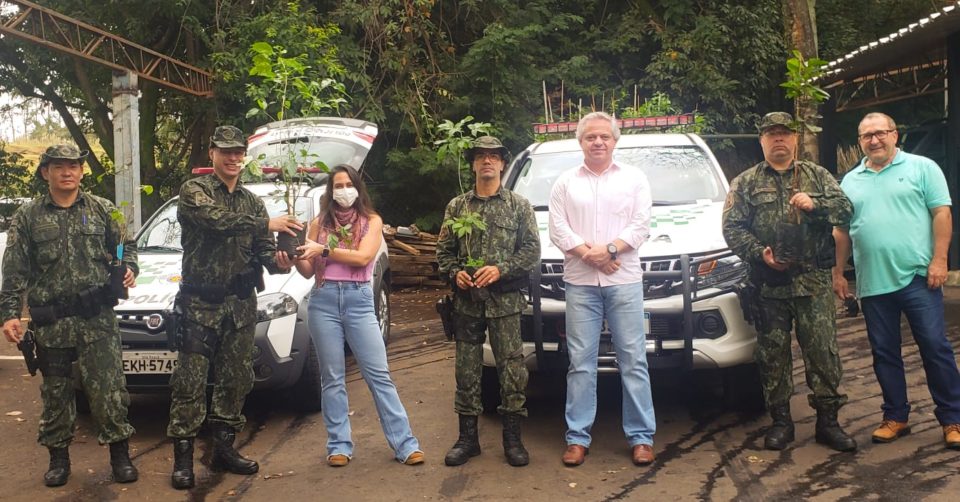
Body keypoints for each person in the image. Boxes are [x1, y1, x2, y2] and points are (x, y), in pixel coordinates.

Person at [167, 125, 302, 489]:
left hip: (241, 304)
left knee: (235, 380)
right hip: (200, 303)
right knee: (190, 381)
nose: (233, 158)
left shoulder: (252, 201)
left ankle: (224, 448)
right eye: (225, 151)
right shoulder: (194, 191)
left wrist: (280, 260)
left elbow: (261, 250)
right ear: (212, 153)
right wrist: (265, 223)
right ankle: (183, 458)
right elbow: (214, 221)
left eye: (238, 152)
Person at [1, 144, 139, 487]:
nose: (68, 171)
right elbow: (14, 270)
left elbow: (125, 246)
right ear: (45, 171)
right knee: (57, 394)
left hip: (97, 319)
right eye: (59, 166)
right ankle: (58, 459)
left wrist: (129, 268)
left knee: (109, 389)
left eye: (74, 166)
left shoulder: (102, 210)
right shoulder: (28, 217)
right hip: (53, 322)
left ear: (81, 171)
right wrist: (9, 314)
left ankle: (120, 455)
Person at [722, 111, 857, 452]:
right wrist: (758, 253)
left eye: (785, 133)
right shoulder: (746, 182)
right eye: (772, 134)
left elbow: (846, 210)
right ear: (762, 140)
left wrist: (816, 204)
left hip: (812, 282)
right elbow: (731, 228)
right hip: (769, 285)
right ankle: (781, 422)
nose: (779, 139)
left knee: (823, 353)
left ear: (795, 139)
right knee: (773, 356)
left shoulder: (817, 175)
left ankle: (829, 421)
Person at [833, 112, 960, 450]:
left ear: (895, 134)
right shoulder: (850, 181)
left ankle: (953, 419)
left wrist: (940, 259)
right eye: (866, 136)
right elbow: (842, 231)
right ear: (860, 141)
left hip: (919, 277)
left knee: (935, 347)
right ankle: (896, 417)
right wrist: (838, 272)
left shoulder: (923, 168)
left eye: (880, 133)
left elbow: (942, 214)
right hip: (873, 283)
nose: (874, 140)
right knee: (884, 353)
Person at [293, 164, 424, 467]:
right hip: (323, 300)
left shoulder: (371, 221)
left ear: (358, 188)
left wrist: (322, 250)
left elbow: (363, 257)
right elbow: (307, 270)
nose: (343, 191)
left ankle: (405, 444)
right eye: (337, 186)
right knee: (332, 378)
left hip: (359, 300)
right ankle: (338, 445)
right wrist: (292, 257)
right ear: (330, 191)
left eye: (347, 184)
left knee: (379, 374)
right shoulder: (318, 223)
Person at [548, 111, 656, 467]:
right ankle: (577, 437)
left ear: (614, 141)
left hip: (623, 281)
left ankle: (641, 437)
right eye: (590, 137)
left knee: (633, 360)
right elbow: (558, 229)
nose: (598, 142)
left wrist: (609, 251)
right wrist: (591, 256)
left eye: (604, 137)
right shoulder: (565, 182)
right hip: (581, 285)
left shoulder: (635, 179)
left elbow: (641, 225)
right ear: (580, 141)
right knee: (580, 362)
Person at [436, 136, 541, 467]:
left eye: (493, 157)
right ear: (472, 163)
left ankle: (512, 438)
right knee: (466, 371)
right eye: (481, 156)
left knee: (511, 369)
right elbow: (443, 253)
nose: (487, 162)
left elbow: (532, 251)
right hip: (466, 304)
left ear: (502, 164)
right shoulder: (458, 207)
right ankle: (468, 439)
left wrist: (500, 270)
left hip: (505, 302)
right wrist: (456, 274)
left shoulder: (518, 205)